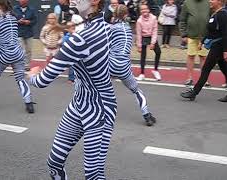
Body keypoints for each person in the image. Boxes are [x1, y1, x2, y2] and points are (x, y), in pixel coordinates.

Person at [27, 0, 117, 179]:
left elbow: (43, 80)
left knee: (93, 175)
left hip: (99, 112)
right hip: (80, 105)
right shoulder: (111, 30)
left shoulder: (80, 40)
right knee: (54, 162)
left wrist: (31, 75)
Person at [180, 0, 227, 103]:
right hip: (216, 46)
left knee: (206, 69)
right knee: (226, 71)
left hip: (219, 47)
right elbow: (211, 31)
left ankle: (194, 92)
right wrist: (202, 41)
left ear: (219, 2)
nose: (210, 1)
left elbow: (226, 35)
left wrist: (226, 51)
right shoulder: (215, 14)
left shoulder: (223, 16)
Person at [110, 4, 157, 126]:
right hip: (124, 66)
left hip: (111, 64)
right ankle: (146, 114)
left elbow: (106, 46)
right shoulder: (128, 30)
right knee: (136, 91)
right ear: (126, 15)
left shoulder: (111, 28)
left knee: (99, 88)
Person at [179, 0, 210, 86]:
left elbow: (211, 18)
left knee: (203, 57)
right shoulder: (187, 3)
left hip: (204, 36)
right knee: (191, 56)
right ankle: (189, 78)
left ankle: (204, 79)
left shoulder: (208, 3)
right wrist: (183, 34)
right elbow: (182, 20)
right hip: (191, 36)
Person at [135, 3, 162, 81]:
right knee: (143, 54)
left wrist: (153, 43)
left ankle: (155, 70)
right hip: (143, 37)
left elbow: (155, 31)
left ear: (148, 10)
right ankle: (142, 73)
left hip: (151, 36)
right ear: (140, 11)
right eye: (142, 9)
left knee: (158, 52)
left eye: (145, 9)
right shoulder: (139, 21)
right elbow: (138, 34)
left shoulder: (153, 18)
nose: (144, 11)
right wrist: (139, 45)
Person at [13, 0, 37, 71]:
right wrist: (17, 21)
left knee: (28, 50)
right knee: (20, 50)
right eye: (21, 0)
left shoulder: (32, 9)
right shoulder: (14, 9)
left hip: (29, 33)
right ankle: (20, 65)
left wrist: (29, 22)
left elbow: (35, 20)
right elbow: (11, 19)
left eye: (24, 0)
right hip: (19, 33)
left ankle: (27, 65)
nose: (23, 1)